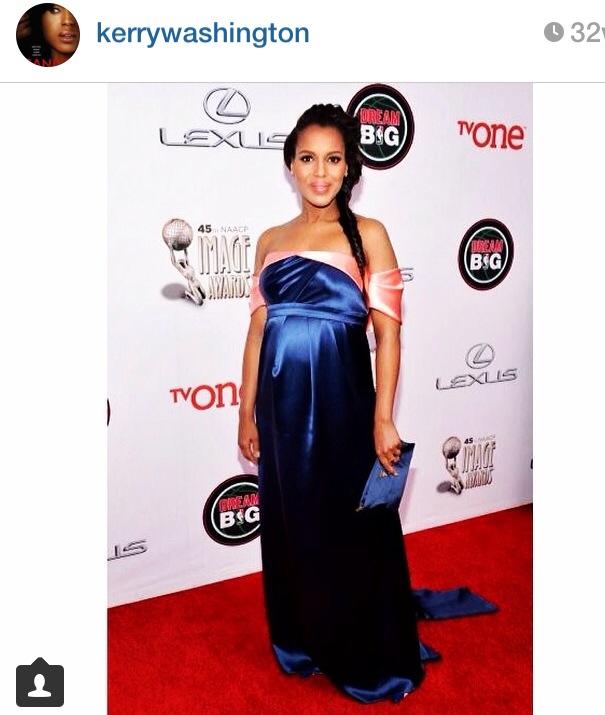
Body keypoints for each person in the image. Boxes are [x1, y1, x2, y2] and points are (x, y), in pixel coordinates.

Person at [238, 103, 424, 703]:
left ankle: (362, 645)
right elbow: (257, 333)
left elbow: (388, 335)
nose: (320, 173)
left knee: (350, 527)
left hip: (345, 404)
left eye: (333, 159)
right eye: (308, 159)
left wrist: (383, 417)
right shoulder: (270, 240)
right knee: (293, 523)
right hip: (281, 410)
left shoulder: (369, 235)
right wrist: (245, 412)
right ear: (291, 165)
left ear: (349, 168)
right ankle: (303, 638)